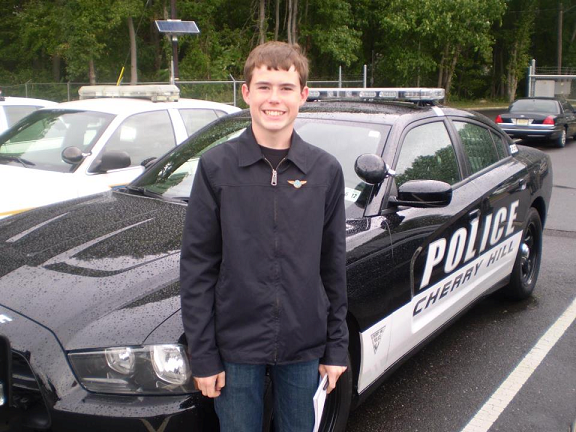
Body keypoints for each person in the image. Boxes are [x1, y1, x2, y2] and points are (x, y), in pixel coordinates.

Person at [180, 41, 348, 432]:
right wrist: (203, 354)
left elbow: (332, 264)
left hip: (304, 345)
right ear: (246, 93)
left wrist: (336, 346)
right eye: (264, 87)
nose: (275, 99)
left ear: (303, 95)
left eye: (286, 88)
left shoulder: (324, 171)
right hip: (234, 348)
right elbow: (198, 267)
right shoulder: (216, 167)